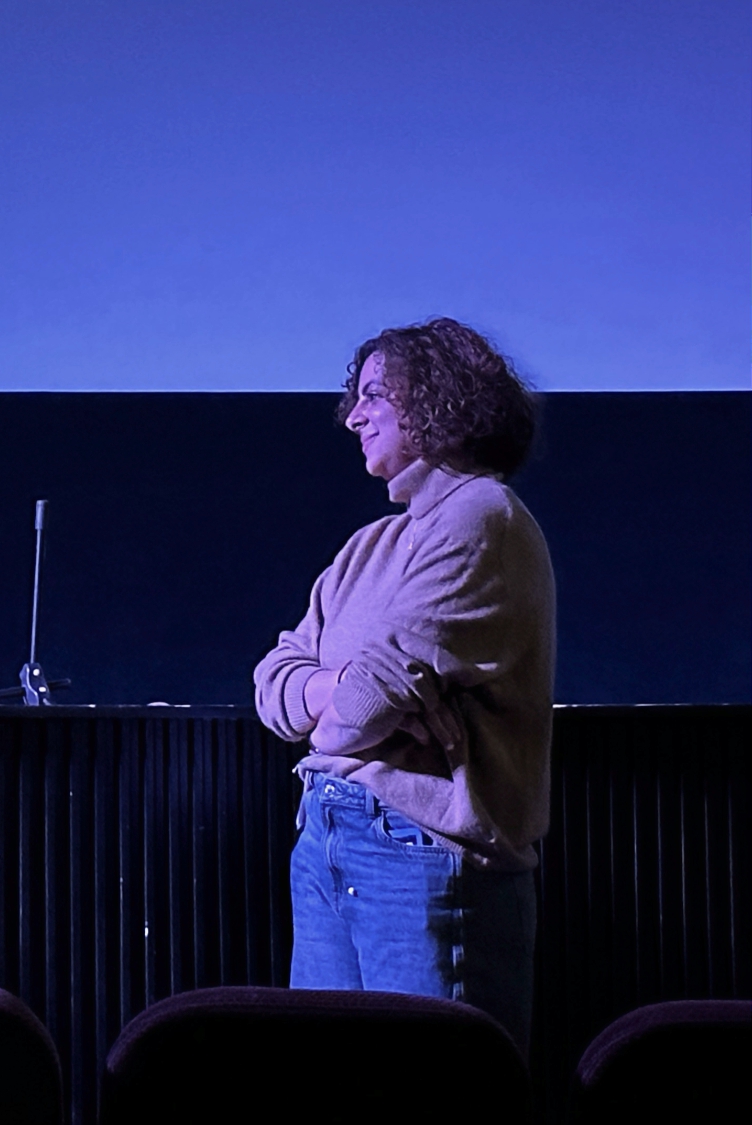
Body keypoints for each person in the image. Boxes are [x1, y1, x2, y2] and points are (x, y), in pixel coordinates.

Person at [254, 318, 553, 1048]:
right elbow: (271, 681)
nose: (353, 417)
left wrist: (331, 703)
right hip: (326, 835)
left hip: (420, 853)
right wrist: (335, 694)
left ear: (436, 401)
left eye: (373, 397)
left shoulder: (483, 518)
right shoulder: (369, 546)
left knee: (430, 1093)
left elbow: (363, 705)